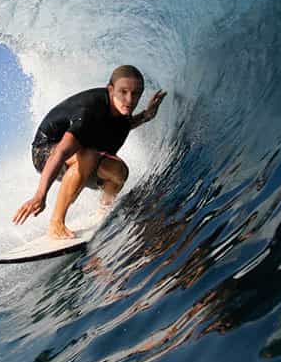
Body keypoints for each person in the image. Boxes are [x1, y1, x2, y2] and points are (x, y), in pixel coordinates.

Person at [12, 65, 167, 238]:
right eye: (123, 91)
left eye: (135, 94)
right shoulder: (89, 111)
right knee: (89, 155)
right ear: (111, 90)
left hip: (78, 156)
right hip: (46, 152)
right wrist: (40, 195)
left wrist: (146, 115)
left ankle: (103, 210)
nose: (129, 99)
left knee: (119, 172)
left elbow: (120, 126)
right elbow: (61, 152)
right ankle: (56, 224)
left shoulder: (120, 112)